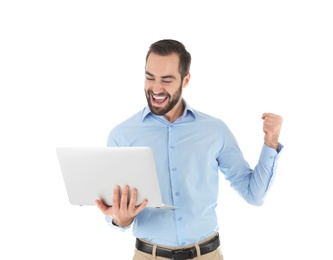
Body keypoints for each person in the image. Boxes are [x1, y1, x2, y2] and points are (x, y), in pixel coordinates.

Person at [95, 39, 283, 260]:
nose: (156, 88)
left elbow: (254, 194)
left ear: (185, 80)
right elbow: (115, 216)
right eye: (149, 77)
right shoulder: (122, 135)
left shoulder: (215, 130)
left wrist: (271, 142)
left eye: (166, 79)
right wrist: (121, 219)